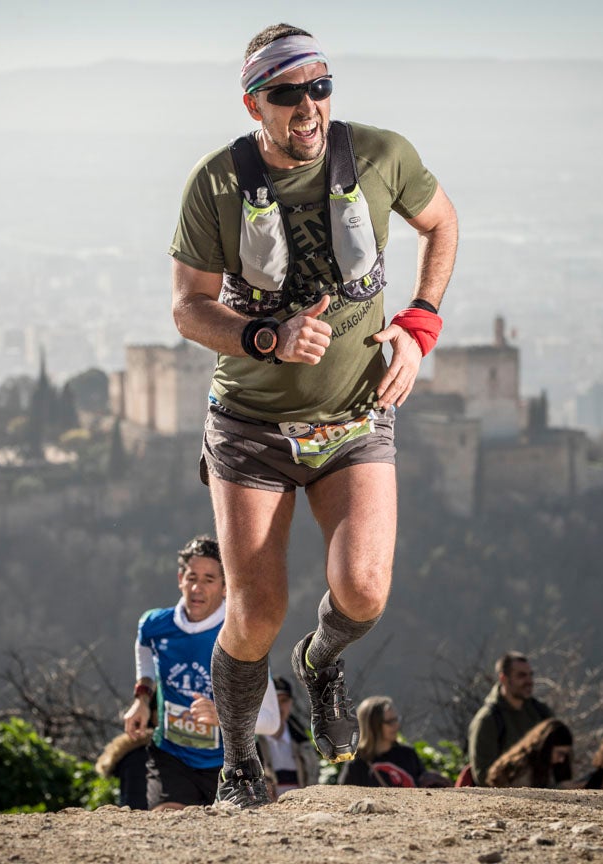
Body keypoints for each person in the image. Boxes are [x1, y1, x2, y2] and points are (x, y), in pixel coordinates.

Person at [168, 22, 458, 809]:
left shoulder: (379, 154)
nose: (308, 105)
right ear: (253, 103)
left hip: (357, 415)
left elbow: (443, 223)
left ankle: (322, 660)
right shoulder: (216, 183)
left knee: (363, 590)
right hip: (253, 426)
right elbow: (189, 310)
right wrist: (266, 334)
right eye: (287, 93)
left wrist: (420, 326)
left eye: (320, 86)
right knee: (255, 610)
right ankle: (238, 766)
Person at [122, 535, 280, 810]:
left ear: (225, 587)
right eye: (192, 577)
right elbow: (144, 652)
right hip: (171, 757)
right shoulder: (154, 625)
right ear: (180, 578)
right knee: (169, 825)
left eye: (208, 580)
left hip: (233, 763)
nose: (197, 588)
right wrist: (142, 697)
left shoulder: (242, 637)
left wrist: (224, 717)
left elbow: (272, 721)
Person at [466, 651, 554, 786]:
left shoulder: (541, 713)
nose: (529, 681)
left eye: (530, 675)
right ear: (503, 679)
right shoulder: (488, 720)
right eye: (521, 676)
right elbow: (483, 775)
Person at [337, 696, 449, 787]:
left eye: (396, 719)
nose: (396, 725)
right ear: (373, 726)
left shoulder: (408, 754)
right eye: (390, 721)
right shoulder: (357, 765)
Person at [256, 675, 320, 799]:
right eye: (274, 701)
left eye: (284, 700)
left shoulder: (302, 740)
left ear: (291, 702)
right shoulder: (252, 743)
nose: (279, 707)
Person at [484, 718, 575, 789]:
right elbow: (526, 796)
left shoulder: (551, 765)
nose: (562, 759)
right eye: (560, 753)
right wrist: (561, 788)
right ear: (546, 747)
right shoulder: (521, 767)